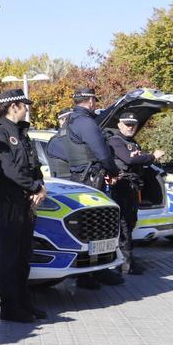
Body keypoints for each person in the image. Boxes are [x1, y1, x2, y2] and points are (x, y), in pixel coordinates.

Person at [48, 88, 124, 289]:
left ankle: (92, 272)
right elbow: (102, 154)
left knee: (88, 229)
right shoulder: (86, 122)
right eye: (95, 101)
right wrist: (114, 171)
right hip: (92, 180)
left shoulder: (72, 120)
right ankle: (91, 274)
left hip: (82, 179)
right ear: (90, 100)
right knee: (97, 229)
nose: (96, 104)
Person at [0, 89, 48, 322]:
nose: (26, 109)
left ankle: (24, 302)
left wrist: (39, 186)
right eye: (24, 105)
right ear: (13, 107)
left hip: (26, 203)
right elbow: (9, 171)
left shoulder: (22, 133)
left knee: (23, 255)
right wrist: (34, 187)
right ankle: (10, 308)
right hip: (9, 201)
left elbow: (34, 166)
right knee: (9, 256)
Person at [107, 113, 164, 275]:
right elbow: (129, 160)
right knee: (124, 224)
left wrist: (142, 157)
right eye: (127, 124)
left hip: (132, 187)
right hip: (122, 186)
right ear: (119, 125)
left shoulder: (132, 142)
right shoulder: (115, 141)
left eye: (133, 124)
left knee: (130, 223)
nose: (130, 127)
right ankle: (125, 264)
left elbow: (136, 159)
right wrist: (152, 156)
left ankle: (128, 261)